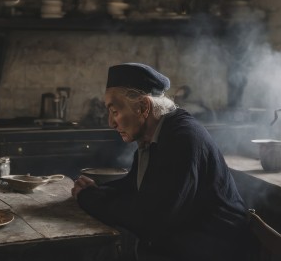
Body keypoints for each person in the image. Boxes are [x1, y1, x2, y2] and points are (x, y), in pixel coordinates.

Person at [71, 63, 254, 261]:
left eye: (114, 111)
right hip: (182, 244)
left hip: (212, 250)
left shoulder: (182, 139)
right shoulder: (151, 137)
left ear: (143, 107)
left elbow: (149, 219)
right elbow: (134, 187)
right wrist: (94, 190)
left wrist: (89, 198)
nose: (110, 122)